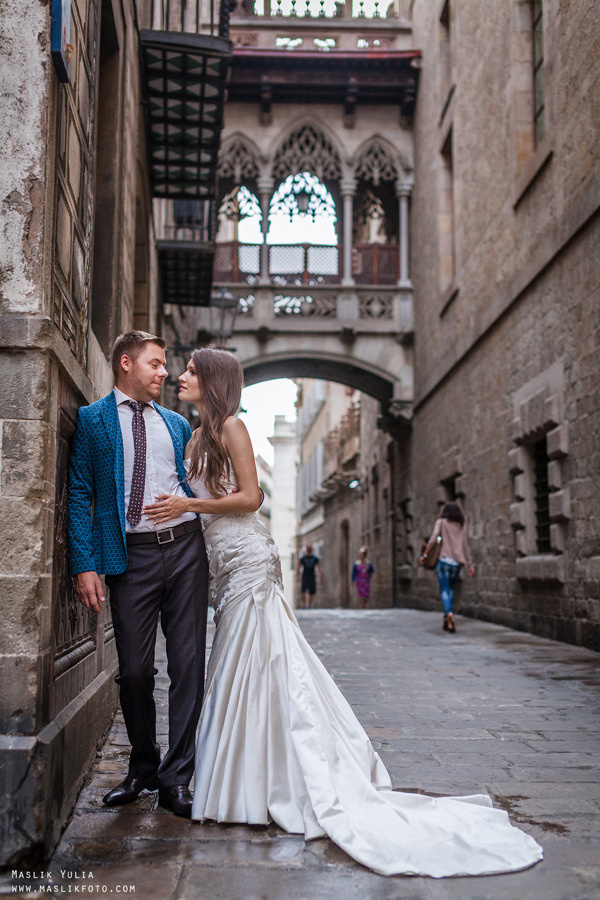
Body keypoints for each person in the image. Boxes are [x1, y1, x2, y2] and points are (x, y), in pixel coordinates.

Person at [144, 347, 542, 878]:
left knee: (256, 660)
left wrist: (189, 506)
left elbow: (251, 498)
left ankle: (260, 782)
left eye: (191, 371)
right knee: (241, 667)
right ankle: (246, 777)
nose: (181, 376)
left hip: (248, 560)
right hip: (222, 567)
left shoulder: (233, 428)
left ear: (213, 381)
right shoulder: (194, 437)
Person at [68, 331, 209, 819]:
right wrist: (85, 563)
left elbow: (194, 485)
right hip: (131, 557)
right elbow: (80, 492)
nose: (164, 372)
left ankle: (178, 777)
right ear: (126, 363)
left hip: (187, 549)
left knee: (189, 665)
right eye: (155, 364)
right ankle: (144, 765)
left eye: (165, 364)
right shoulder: (93, 421)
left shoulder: (177, 424)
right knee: (133, 671)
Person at [420, 501, 475, 633]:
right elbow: (465, 544)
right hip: (457, 563)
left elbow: (434, 539)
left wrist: (425, 555)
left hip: (444, 561)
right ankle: (447, 618)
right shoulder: (460, 524)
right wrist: (470, 563)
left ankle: (449, 613)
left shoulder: (441, 522)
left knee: (444, 589)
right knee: (450, 589)